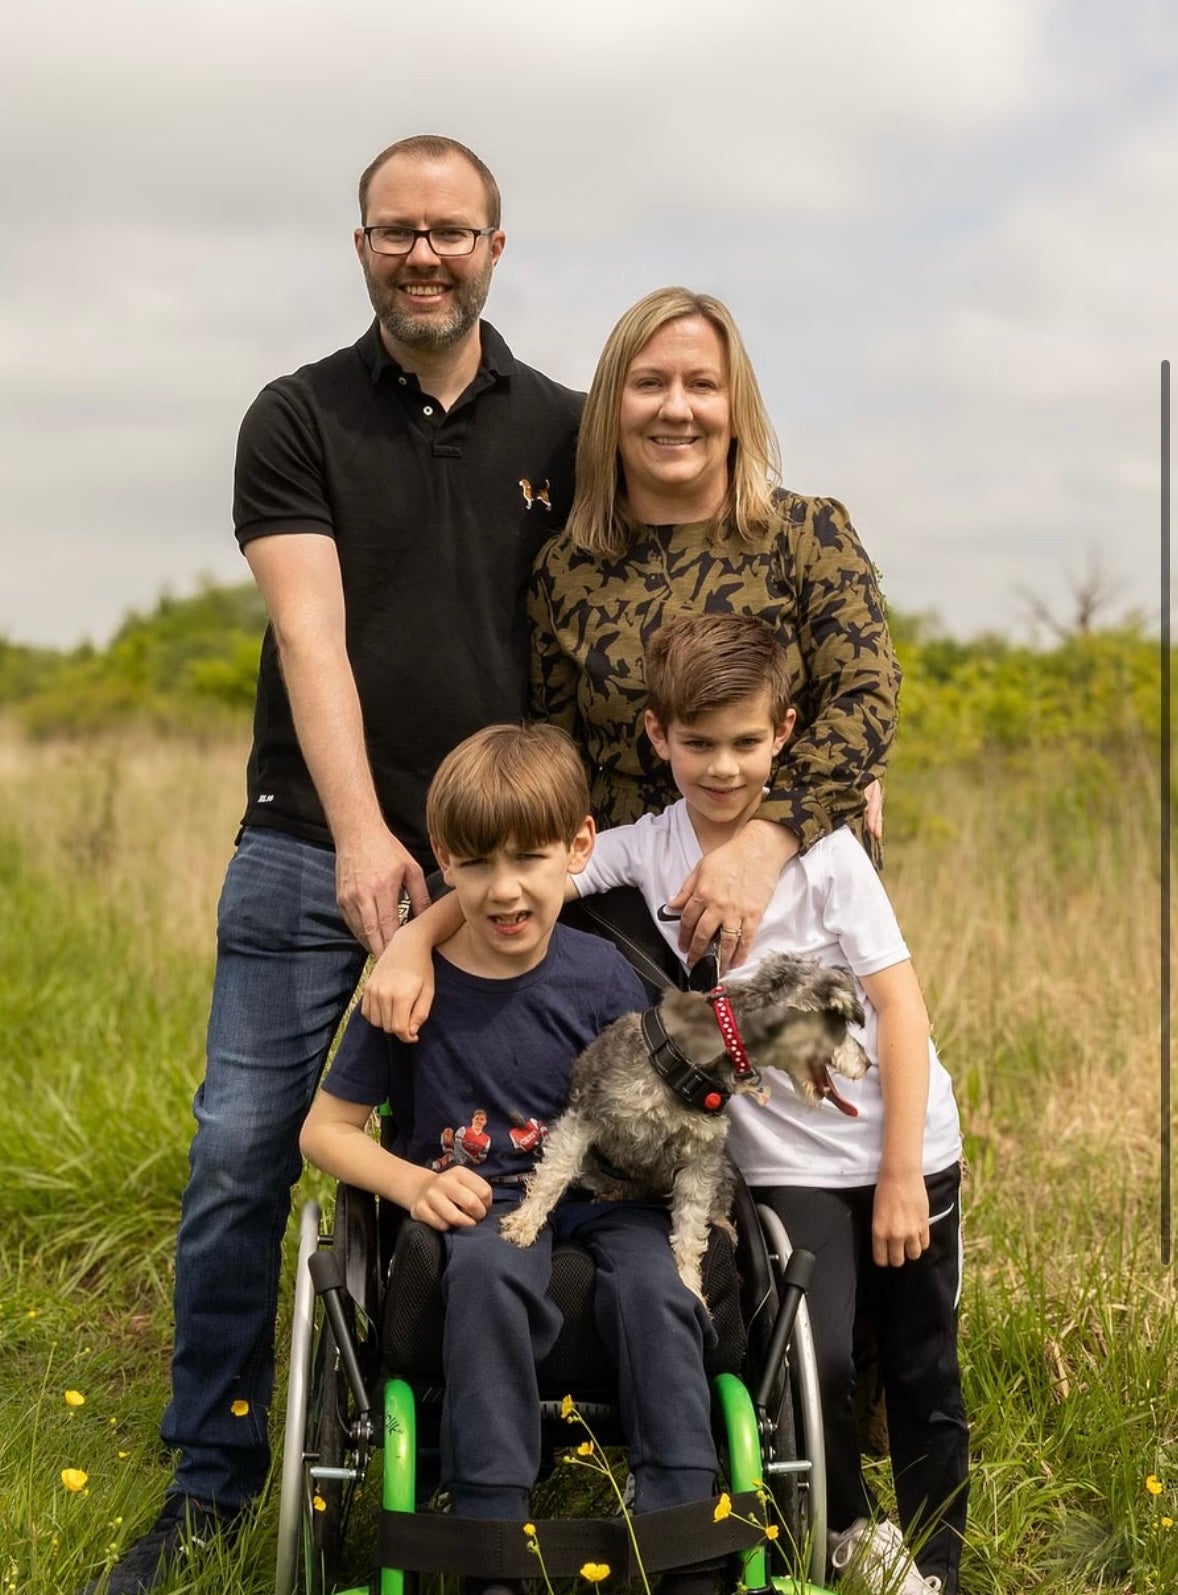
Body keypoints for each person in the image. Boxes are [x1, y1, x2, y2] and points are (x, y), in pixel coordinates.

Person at [86, 135, 583, 1595]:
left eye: (450, 230)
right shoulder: (294, 413)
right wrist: (370, 835)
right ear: (360, 244)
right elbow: (310, 631)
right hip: (316, 852)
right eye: (394, 231)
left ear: (497, 245)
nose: (421, 254)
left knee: (522, 1167)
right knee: (245, 1155)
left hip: (505, 874)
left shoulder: (565, 427)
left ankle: (507, 1448)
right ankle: (211, 1478)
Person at [567, 614, 967, 1595]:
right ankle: (847, 1531)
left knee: (917, 1359)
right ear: (657, 735)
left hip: (902, 1145)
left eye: (744, 741)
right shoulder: (647, 846)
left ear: (782, 730)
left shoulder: (823, 854)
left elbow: (899, 1006)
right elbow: (535, 876)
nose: (720, 764)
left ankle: (940, 1563)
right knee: (812, 1350)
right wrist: (418, 936)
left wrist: (900, 1172)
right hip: (785, 1165)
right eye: (696, 742)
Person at [299, 723, 722, 1594]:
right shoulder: (409, 989)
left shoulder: (604, 974)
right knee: (491, 1270)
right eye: (479, 864)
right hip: (479, 1207)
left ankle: (684, 1528)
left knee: (656, 1285)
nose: (505, 889)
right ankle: (493, 1531)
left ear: (577, 848)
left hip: (608, 1200)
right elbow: (324, 1133)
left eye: (530, 858)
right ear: (444, 859)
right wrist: (415, 1183)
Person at [528, 285, 900, 975]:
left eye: (703, 384)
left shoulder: (808, 534)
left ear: (736, 407)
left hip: (795, 900)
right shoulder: (566, 567)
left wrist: (762, 844)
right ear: (612, 405)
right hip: (625, 926)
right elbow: (554, 752)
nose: (676, 406)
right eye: (649, 383)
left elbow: (866, 704)